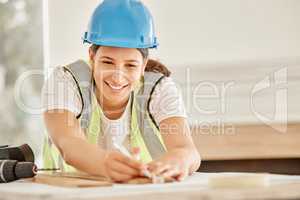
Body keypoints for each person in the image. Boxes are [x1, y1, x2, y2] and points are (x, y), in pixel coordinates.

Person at [42, 0, 200, 182]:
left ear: (143, 66)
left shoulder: (160, 89)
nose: (118, 77)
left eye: (130, 65)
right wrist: (104, 162)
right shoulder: (64, 81)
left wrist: (178, 160)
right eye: (108, 62)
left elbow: (188, 151)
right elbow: (68, 143)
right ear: (92, 57)